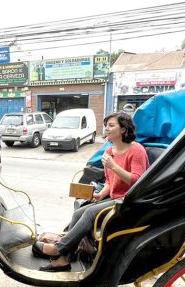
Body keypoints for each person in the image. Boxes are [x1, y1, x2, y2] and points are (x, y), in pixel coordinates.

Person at [34, 112, 149, 272]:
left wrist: (114, 166)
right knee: (78, 213)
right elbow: (110, 181)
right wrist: (101, 194)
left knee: (89, 213)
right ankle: (65, 259)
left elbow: (138, 181)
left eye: (111, 125)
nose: (107, 129)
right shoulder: (109, 152)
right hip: (114, 198)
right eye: (106, 125)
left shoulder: (136, 150)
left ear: (123, 129)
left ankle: (59, 249)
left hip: (129, 201)